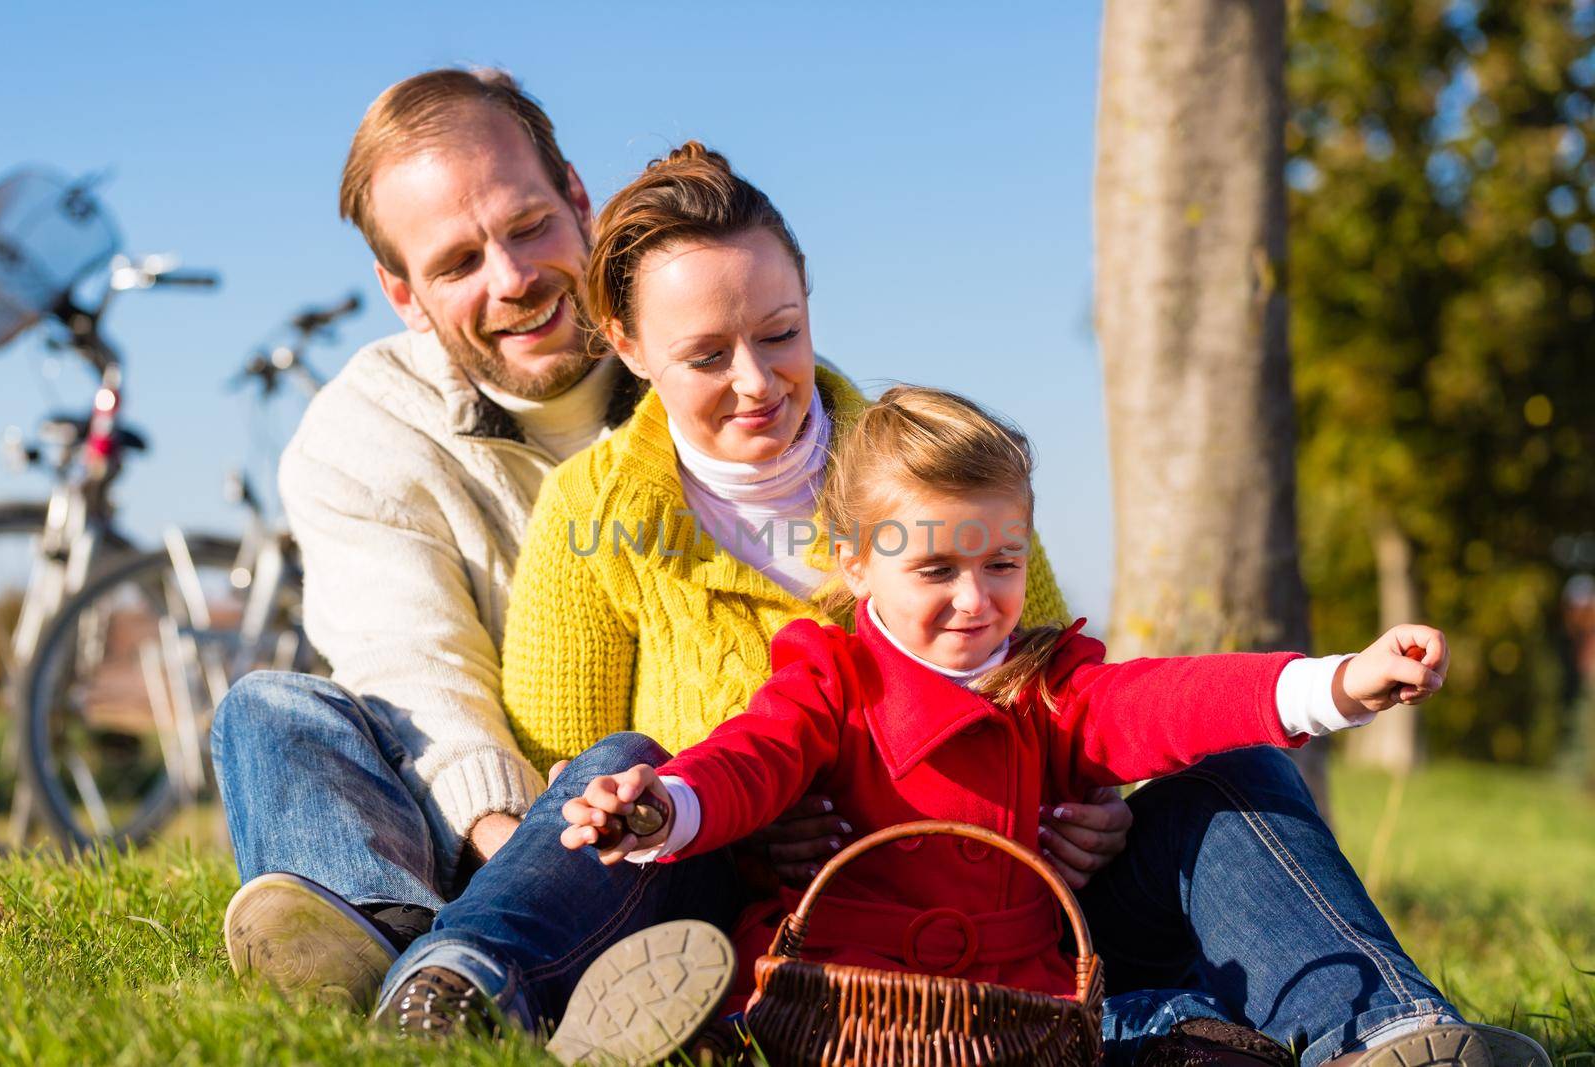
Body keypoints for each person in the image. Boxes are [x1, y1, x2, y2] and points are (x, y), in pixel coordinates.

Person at [371, 145, 1550, 1067]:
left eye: (780, 334)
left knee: (1231, 771)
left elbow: (1131, 702)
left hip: (1023, 926)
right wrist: (672, 808)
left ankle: (1386, 1029)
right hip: (772, 908)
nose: (754, 379)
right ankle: (470, 979)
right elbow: (687, 756)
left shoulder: (931, 474)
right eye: (707, 351)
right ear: (625, 344)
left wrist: (1321, 686)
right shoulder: (619, 527)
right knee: (617, 766)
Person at [210, 68, 1130, 1022]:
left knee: (1225, 774)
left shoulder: (741, 354)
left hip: (723, 823)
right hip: (495, 813)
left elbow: (1027, 664)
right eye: (458, 263)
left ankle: (444, 973)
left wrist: (1091, 796)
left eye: (529, 227)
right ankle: (388, 941)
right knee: (273, 709)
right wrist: (526, 840)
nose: (514, 278)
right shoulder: (370, 436)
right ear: (404, 293)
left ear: (578, 199)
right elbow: (419, 675)